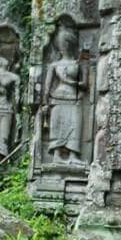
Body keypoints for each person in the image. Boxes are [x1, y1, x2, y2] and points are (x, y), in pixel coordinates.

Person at [43, 25, 86, 163]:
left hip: (74, 97)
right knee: (58, 124)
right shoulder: (54, 65)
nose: (63, 46)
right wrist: (45, 103)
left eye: (66, 43)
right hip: (57, 97)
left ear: (70, 44)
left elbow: (85, 84)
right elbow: (47, 87)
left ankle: (73, 155)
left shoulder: (78, 63)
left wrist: (71, 82)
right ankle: (56, 155)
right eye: (60, 43)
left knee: (74, 125)